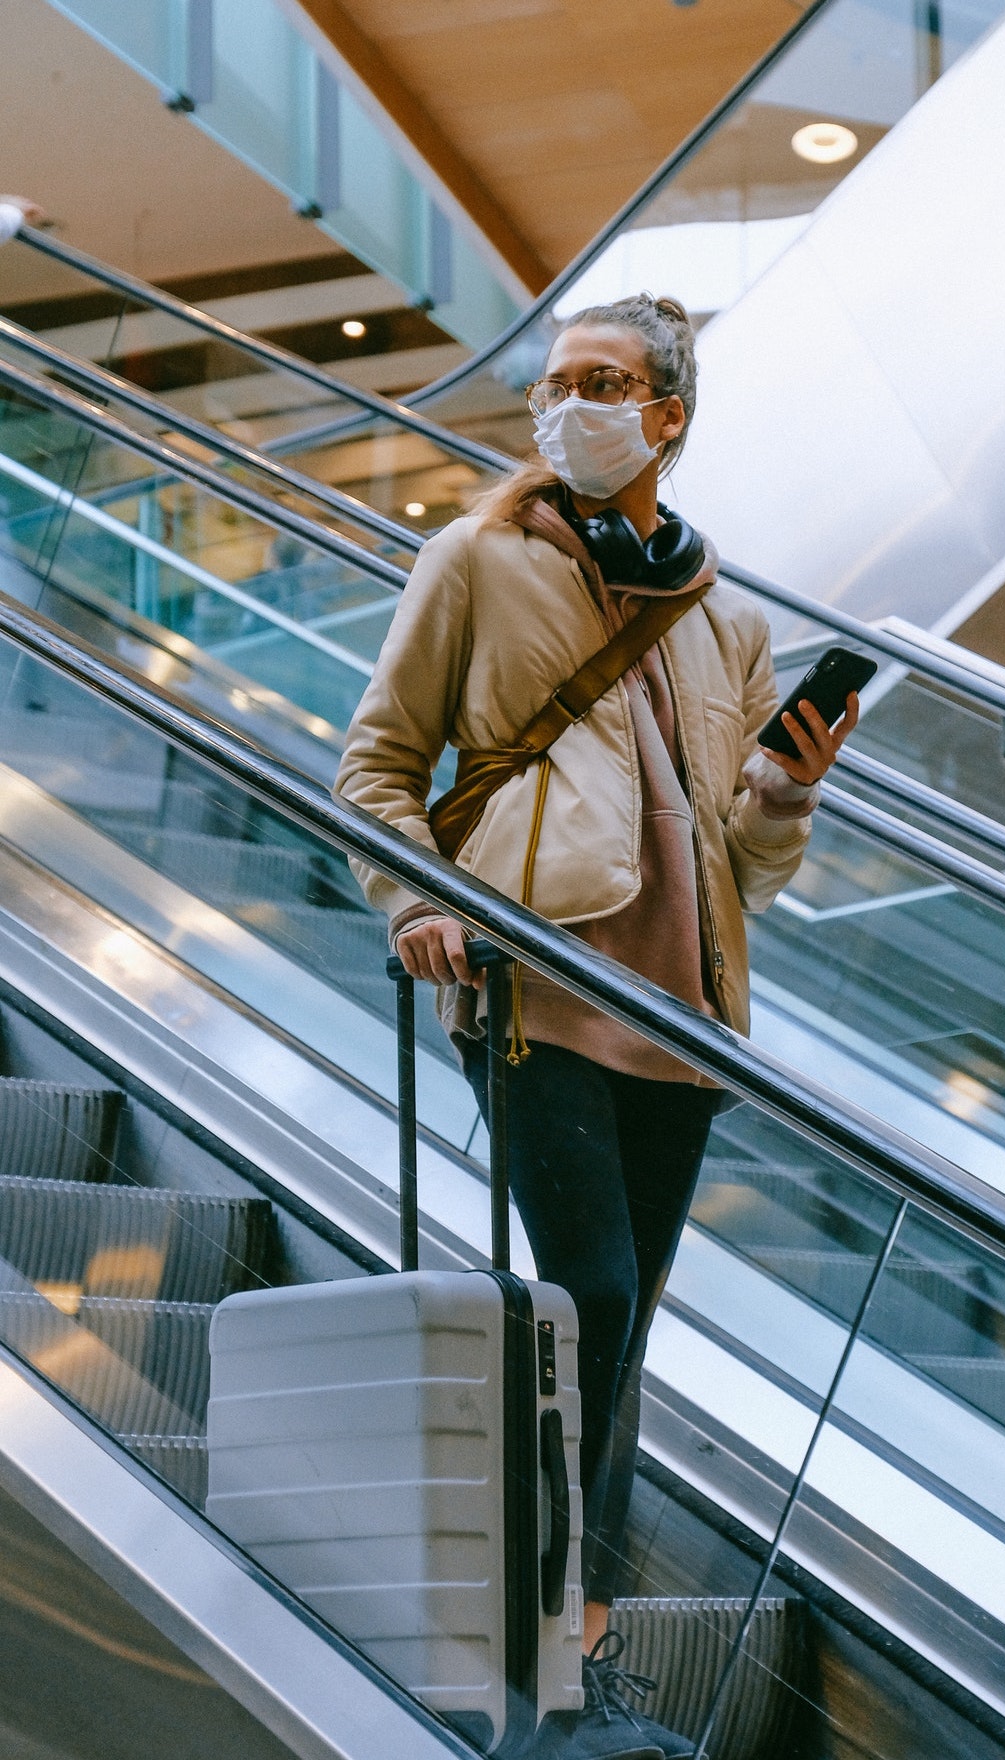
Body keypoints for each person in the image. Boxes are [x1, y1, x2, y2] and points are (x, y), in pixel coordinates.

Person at [336, 294, 859, 1759]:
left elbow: (748, 852)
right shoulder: (477, 561)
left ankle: (577, 1658)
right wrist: (413, 907)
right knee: (590, 1305)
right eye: (555, 381)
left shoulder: (726, 616)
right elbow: (375, 766)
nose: (569, 402)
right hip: (532, 984)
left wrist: (787, 793)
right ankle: (542, 1653)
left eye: (603, 381)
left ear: (667, 415)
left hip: (679, 1016)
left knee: (612, 1354)